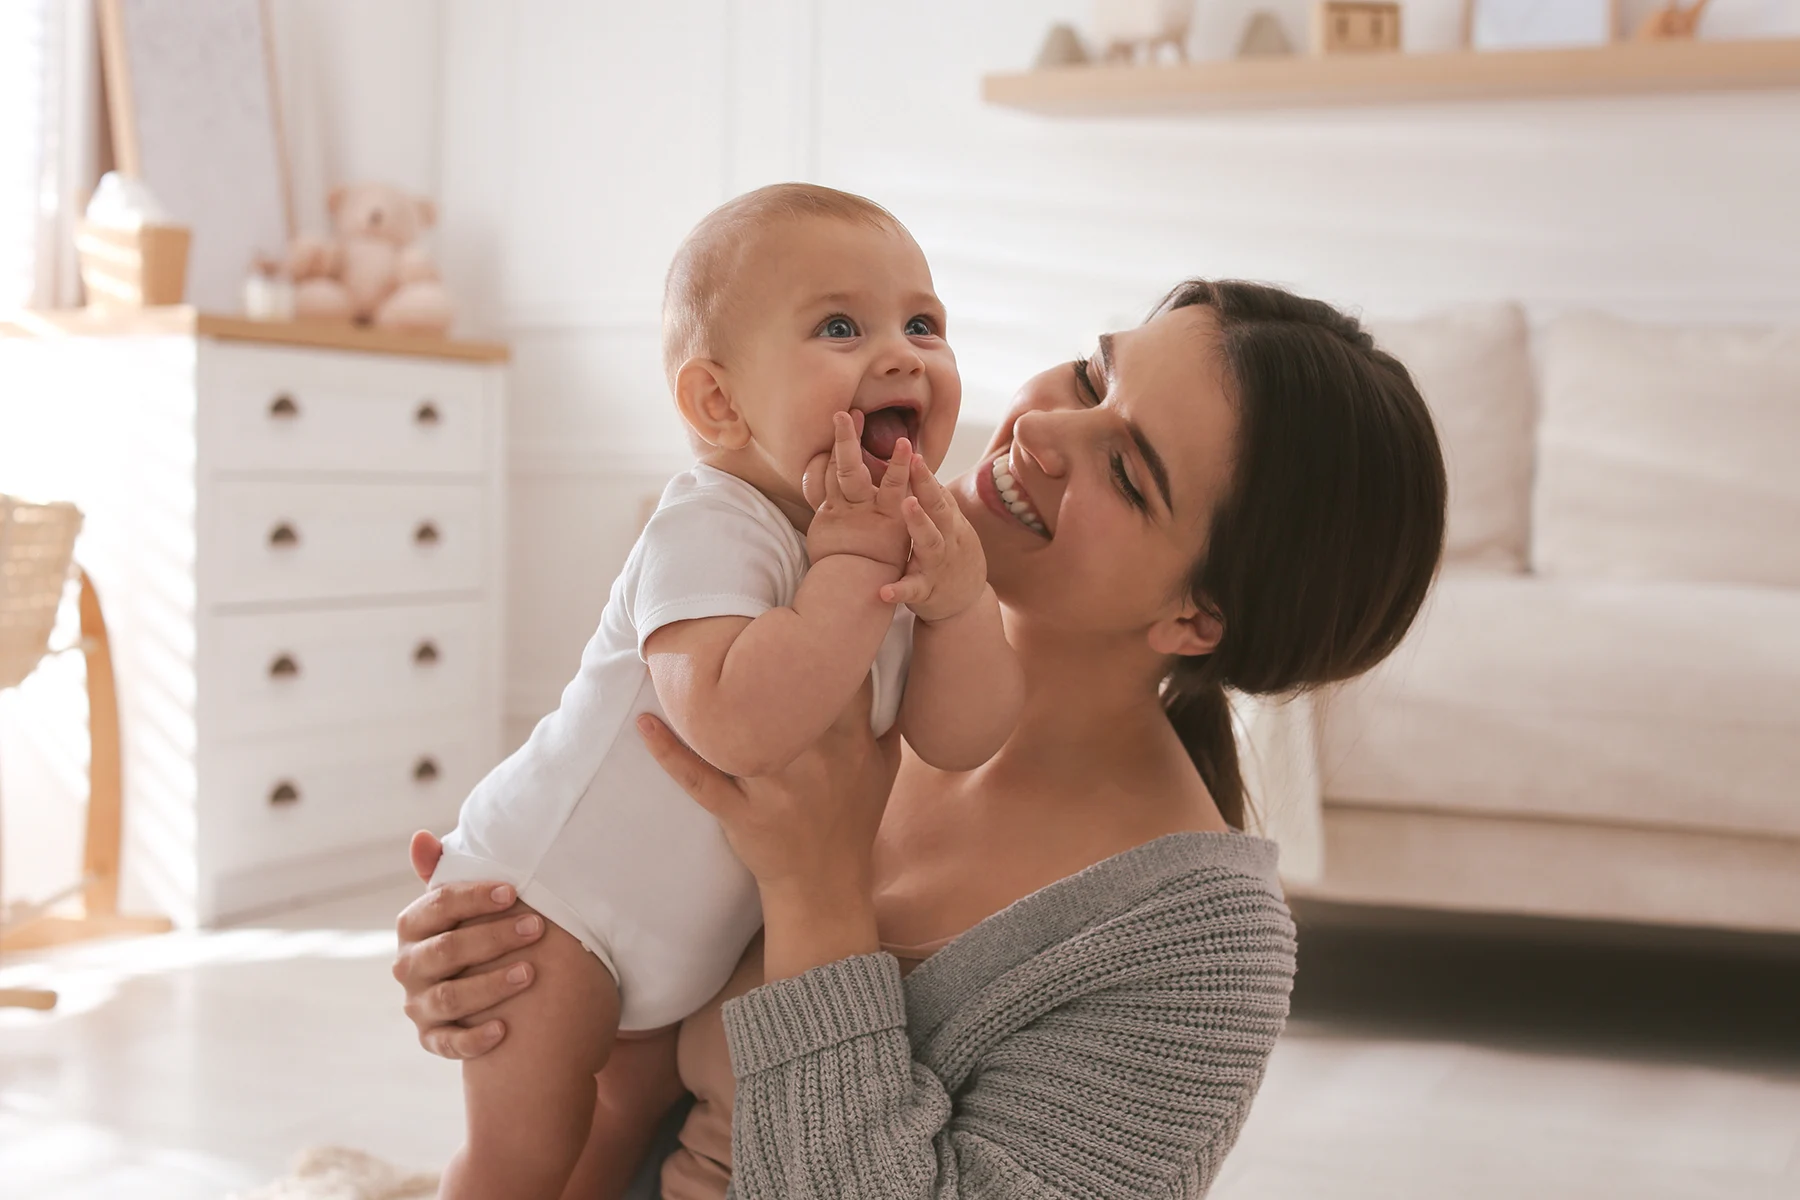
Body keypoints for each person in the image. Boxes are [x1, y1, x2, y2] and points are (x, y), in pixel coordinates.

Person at [395, 278, 1449, 1198]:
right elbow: (628, 1011)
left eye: (1128, 472)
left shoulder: (1198, 950)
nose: (1042, 431)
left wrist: (817, 896)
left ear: (1195, 620)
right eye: (1091, 375)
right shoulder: (827, 635)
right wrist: (505, 957)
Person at [425, 183, 1021, 1200]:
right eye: (842, 325)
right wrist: (847, 569)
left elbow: (963, 735)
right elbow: (736, 724)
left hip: (671, 949)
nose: (902, 352)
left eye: (924, 323)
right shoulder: (713, 522)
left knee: (615, 1140)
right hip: (551, 907)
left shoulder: (890, 532)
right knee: (524, 1157)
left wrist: (960, 604)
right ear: (718, 403)